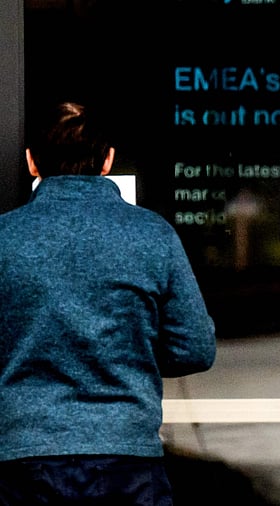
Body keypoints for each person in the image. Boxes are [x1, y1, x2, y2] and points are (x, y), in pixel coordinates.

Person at [0, 102, 216, 504]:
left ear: (32, 162)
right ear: (108, 161)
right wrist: (129, 352)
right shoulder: (152, 234)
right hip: (127, 456)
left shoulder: (4, 238)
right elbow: (196, 350)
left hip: (22, 459)